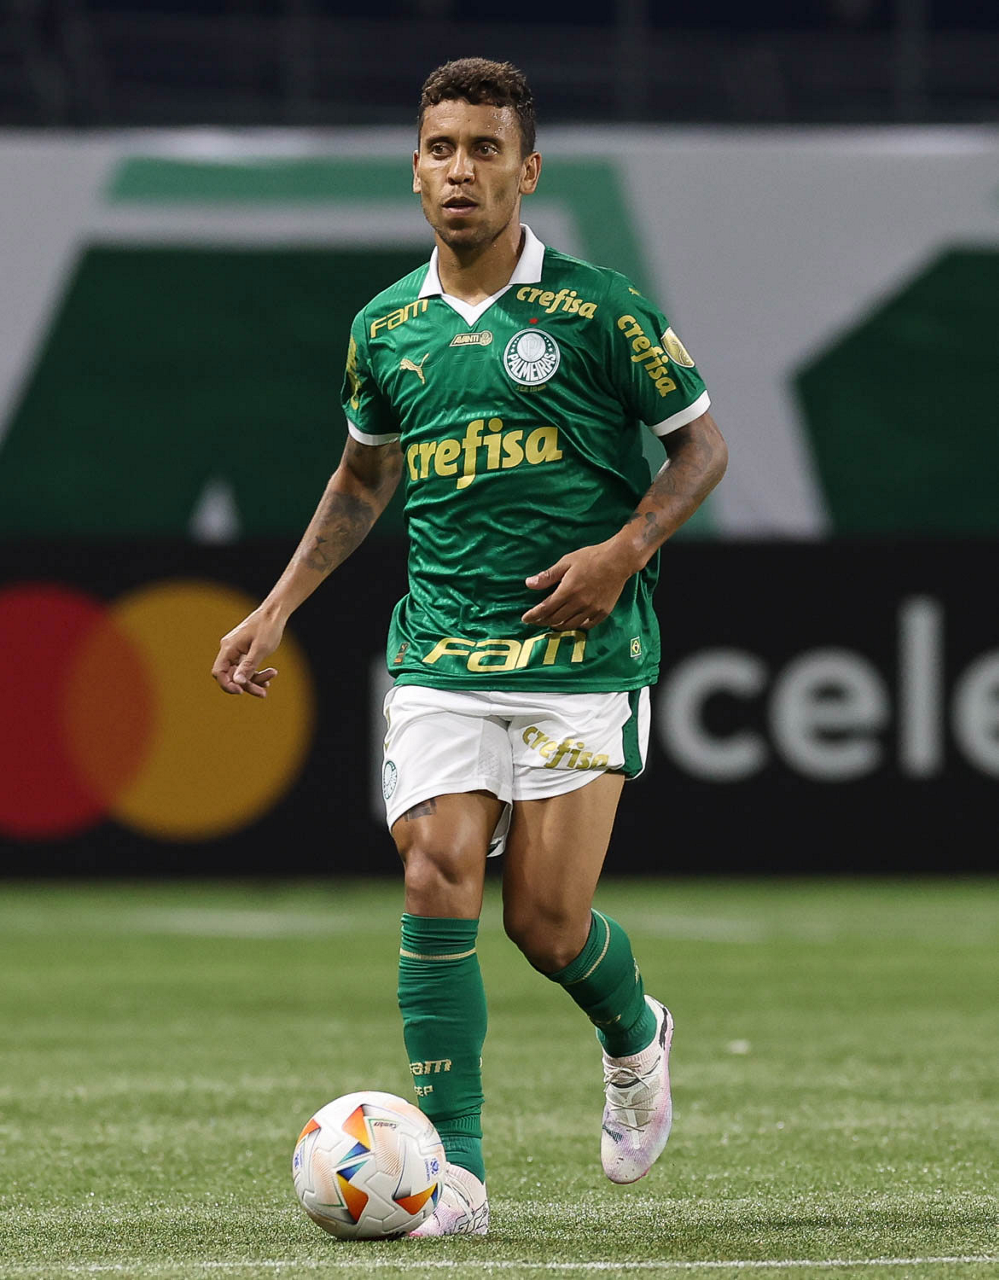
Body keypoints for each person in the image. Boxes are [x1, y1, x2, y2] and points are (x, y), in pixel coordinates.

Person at [211, 57, 727, 1237]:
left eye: (485, 149)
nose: (460, 169)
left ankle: (635, 1033)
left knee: (545, 924)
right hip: (444, 648)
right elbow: (362, 478)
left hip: (580, 656)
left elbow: (701, 449)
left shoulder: (600, 310)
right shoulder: (385, 326)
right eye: (441, 148)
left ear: (526, 171)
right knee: (434, 870)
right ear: (414, 170)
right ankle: (461, 1178)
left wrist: (622, 553)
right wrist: (278, 605)